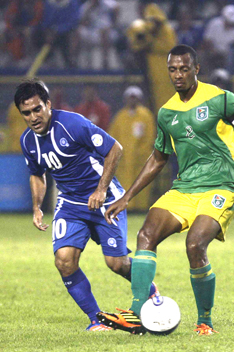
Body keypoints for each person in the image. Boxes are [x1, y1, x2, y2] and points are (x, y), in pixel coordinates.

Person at [97, 44, 234, 335]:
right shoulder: (166, 112)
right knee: (145, 235)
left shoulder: (221, 99)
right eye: (172, 69)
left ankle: (205, 322)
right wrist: (127, 197)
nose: (178, 74)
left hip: (223, 186)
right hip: (185, 188)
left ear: (196, 69)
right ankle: (136, 313)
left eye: (184, 68)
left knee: (195, 246)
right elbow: (159, 158)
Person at [15, 79, 158, 332]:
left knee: (117, 264)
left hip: (106, 199)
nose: (33, 117)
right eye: (26, 113)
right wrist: (37, 206)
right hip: (70, 203)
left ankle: (153, 294)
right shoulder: (28, 141)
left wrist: (101, 189)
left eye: (37, 109)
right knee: (64, 261)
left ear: (48, 104)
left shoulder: (72, 124)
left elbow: (115, 148)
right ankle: (97, 320)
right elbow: (37, 174)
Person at [108, 86, 155, 211]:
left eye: (135, 98)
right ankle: (126, 208)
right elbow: (113, 135)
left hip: (140, 159)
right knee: (124, 184)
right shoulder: (120, 116)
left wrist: (141, 153)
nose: (132, 101)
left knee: (141, 184)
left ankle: (140, 209)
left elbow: (150, 137)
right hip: (123, 160)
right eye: (130, 98)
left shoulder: (146, 115)